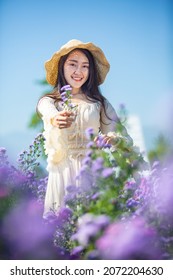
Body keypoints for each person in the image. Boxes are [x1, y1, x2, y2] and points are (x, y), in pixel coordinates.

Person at [37, 39, 133, 216]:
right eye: (73, 64)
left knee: (92, 231)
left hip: (91, 172)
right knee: (62, 228)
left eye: (85, 66)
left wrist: (111, 138)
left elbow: (121, 135)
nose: (78, 72)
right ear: (62, 67)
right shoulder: (51, 101)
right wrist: (55, 118)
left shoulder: (99, 104)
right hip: (62, 172)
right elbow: (48, 112)